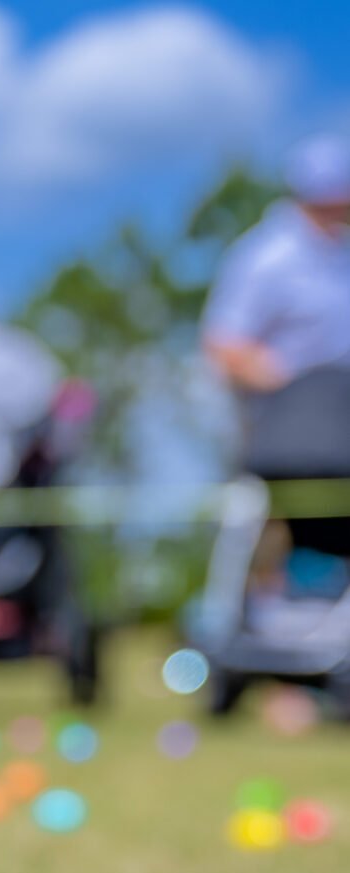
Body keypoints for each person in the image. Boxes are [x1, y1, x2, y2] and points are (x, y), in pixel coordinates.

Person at [204, 135, 350, 581]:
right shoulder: (266, 256)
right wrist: (295, 390)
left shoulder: (340, 254)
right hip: (285, 437)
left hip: (341, 435)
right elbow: (223, 345)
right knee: (262, 540)